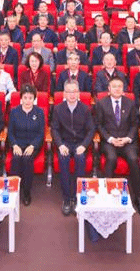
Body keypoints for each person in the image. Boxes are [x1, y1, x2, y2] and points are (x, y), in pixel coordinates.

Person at [95, 77, 140, 217]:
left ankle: (138, 198)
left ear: (123, 89)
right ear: (109, 89)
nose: (117, 89)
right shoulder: (101, 103)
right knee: (111, 158)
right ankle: (107, 195)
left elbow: (135, 124)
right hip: (109, 141)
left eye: (120, 86)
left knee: (133, 159)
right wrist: (110, 139)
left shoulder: (130, 103)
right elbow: (99, 125)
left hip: (127, 141)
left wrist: (128, 138)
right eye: (114, 86)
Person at [52, 79, 94, 216]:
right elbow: (54, 129)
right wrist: (60, 144)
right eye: (69, 92)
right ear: (64, 93)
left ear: (78, 93)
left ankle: (77, 196)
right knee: (63, 159)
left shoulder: (86, 109)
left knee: (80, 159)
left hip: (80, 143)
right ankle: (66, 198)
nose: (72, 94)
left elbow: (91, 130)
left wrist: (84, 145)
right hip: (65, 143)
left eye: (74, 91)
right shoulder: (58, 109)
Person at [7, 84, 45, 206]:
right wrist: (14, 145)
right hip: (18, 143)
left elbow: (41, 133)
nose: (28, 101)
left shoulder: (39, 112)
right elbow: (10, 132)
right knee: (16, 158)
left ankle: (26, 191)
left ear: (34, 99)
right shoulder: (14, 112)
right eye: (25, 98)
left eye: (30, 98)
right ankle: (14, 190)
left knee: (27, 159)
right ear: (21, 98)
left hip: (33, 145)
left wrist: (33, 146)